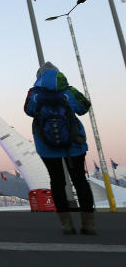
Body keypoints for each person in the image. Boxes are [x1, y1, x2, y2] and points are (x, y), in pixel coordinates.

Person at [24, 61, 96, 235]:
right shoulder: (69, 91)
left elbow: (28, 111)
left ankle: (67, 225)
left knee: (56, 182)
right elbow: (84, 107)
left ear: (39, 76)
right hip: (74, 144)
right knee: (80, 180)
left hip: (46, 146)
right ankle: (88, 225)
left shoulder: (34, 94)